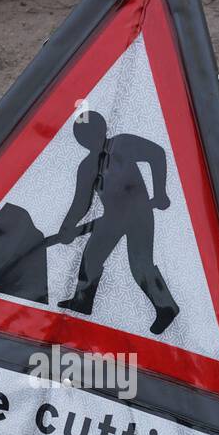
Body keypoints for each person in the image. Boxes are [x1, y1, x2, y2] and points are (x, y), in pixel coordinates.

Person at [56, 111, 180, 336]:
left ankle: (166, 307)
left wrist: (160, 192)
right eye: (84, 137)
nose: (89, 140)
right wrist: (67, 227)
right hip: (112, 218)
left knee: (140, 265)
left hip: (139, 214)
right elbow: (80, 203)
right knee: (91, 258)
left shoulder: (122, 144)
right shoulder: (87, 167)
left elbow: (157, 154)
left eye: (92, 134)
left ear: (103, 130)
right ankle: (82, 302)